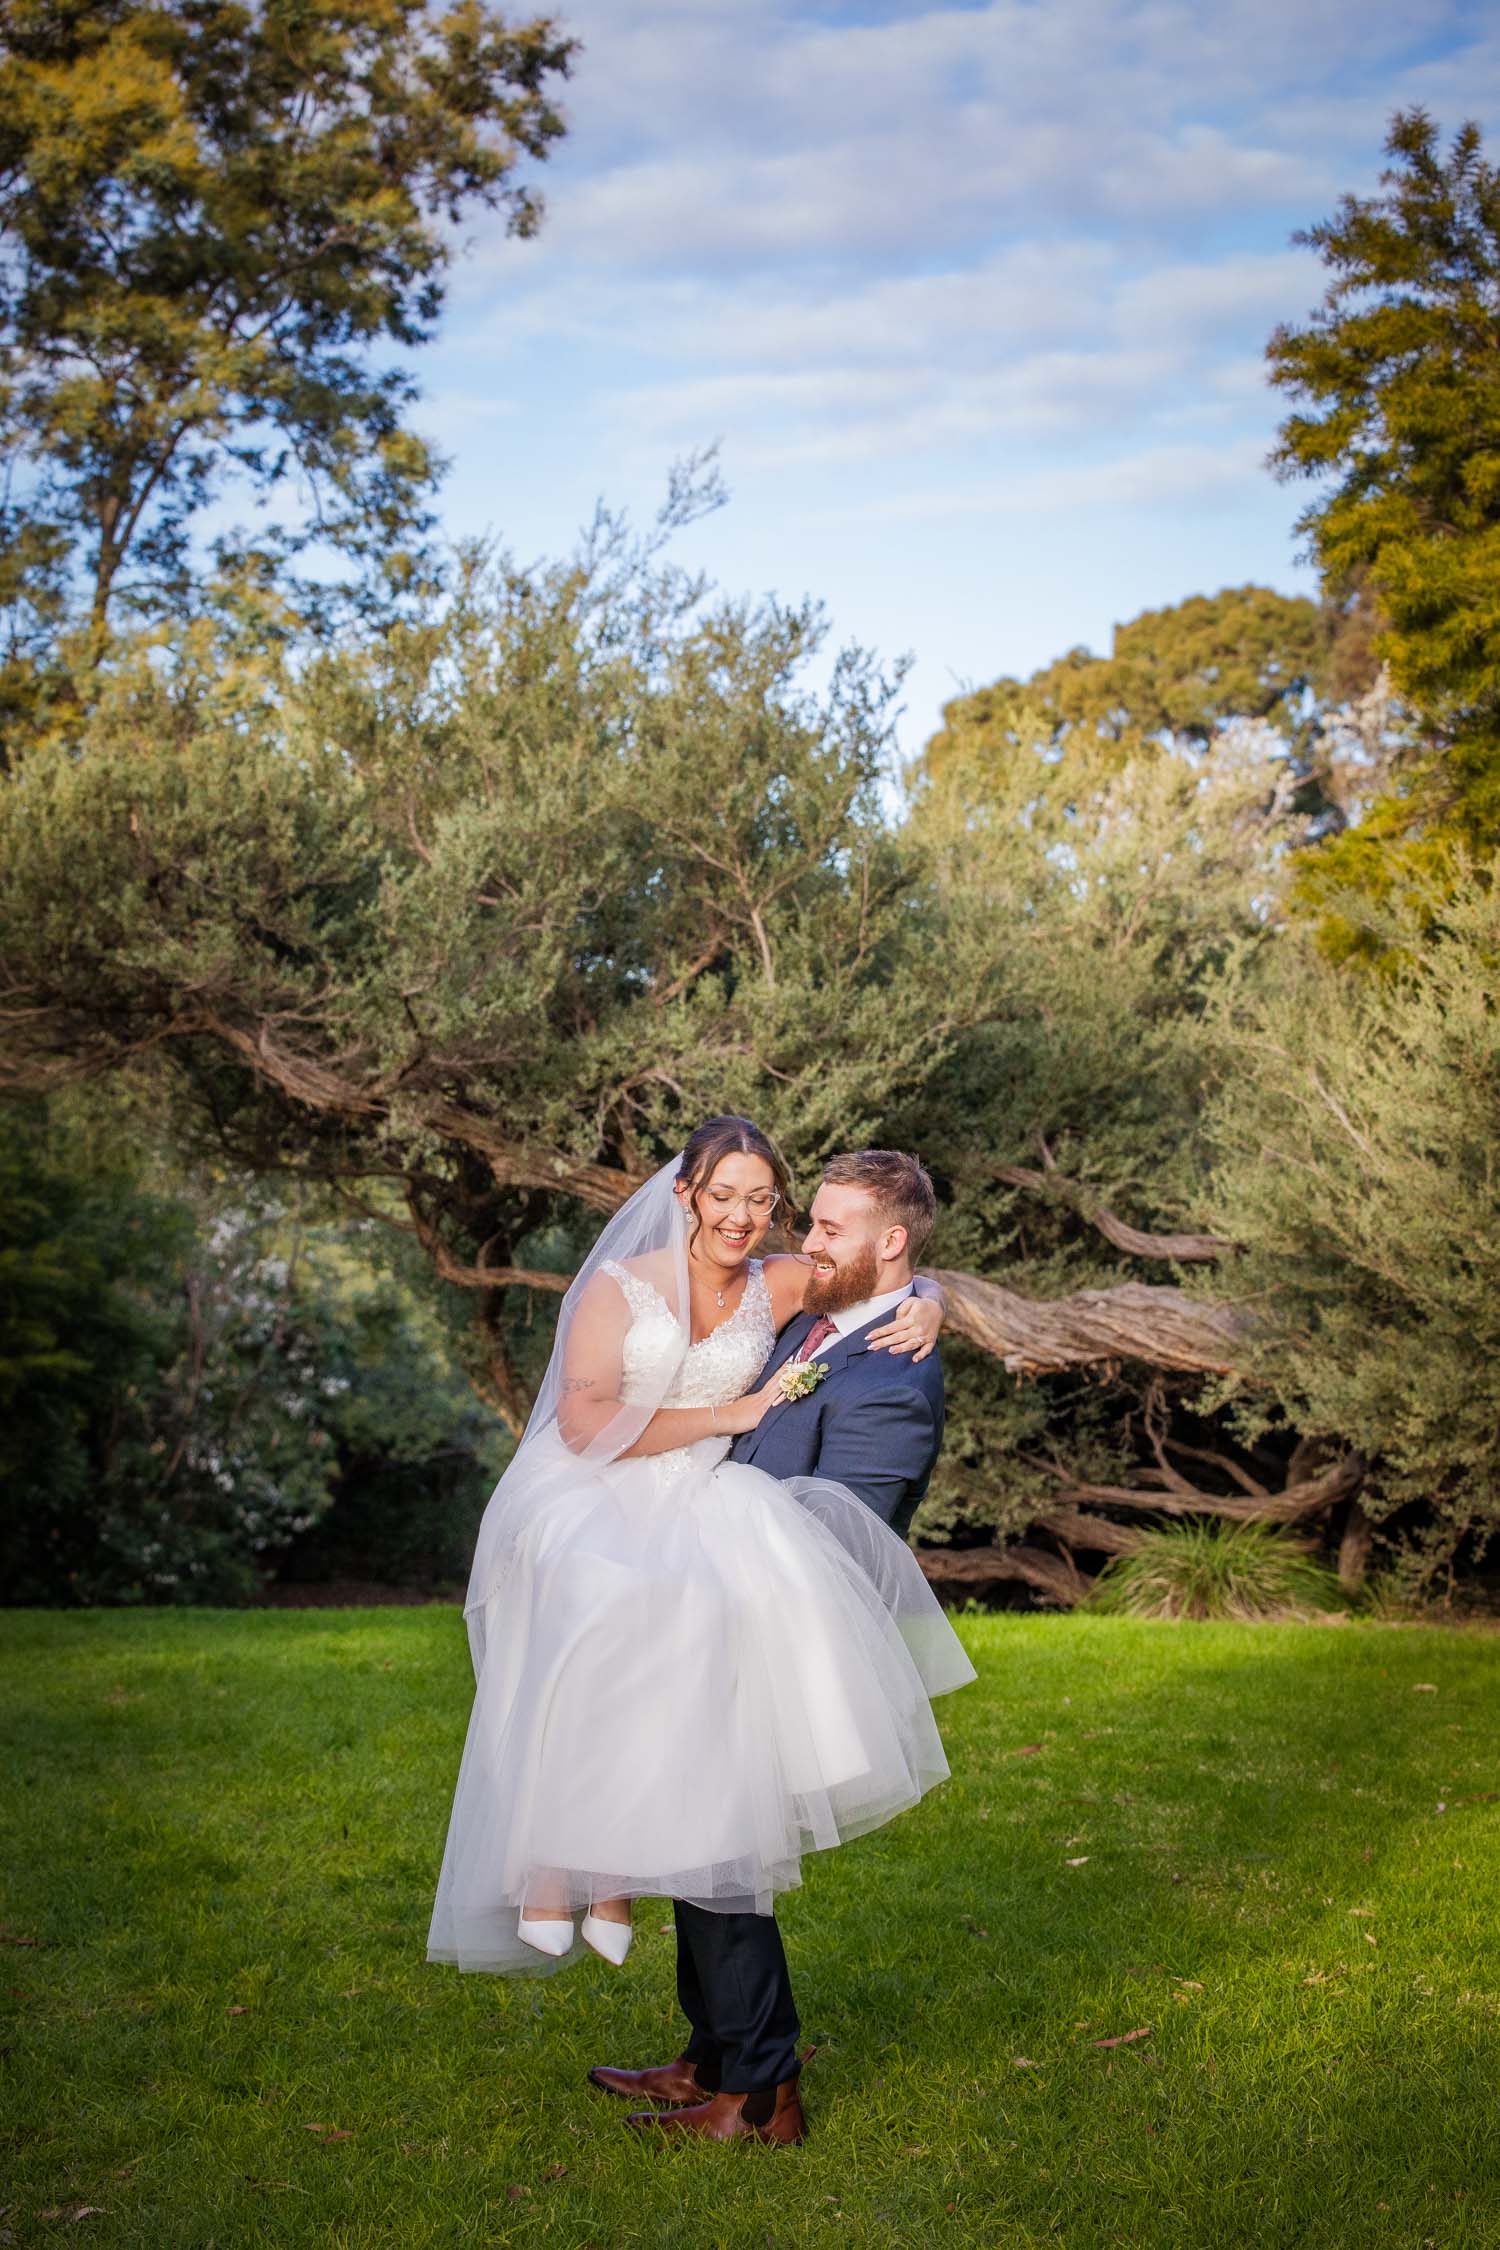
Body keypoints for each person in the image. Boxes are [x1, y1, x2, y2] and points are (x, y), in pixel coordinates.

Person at [427, 1118, 975, 2146]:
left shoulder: (894, 1373)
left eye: (822, 1223)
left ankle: (761, 2094)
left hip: (766, 1613)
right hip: (698, 1570)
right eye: (798, 1218)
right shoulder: (842, 1309)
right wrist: (935, 1297)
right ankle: (711, 2055)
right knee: (688, 1821)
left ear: (890, 1243)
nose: (801, 1239)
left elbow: (851, 1532)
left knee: (723, 1848)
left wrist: (932, 1305)